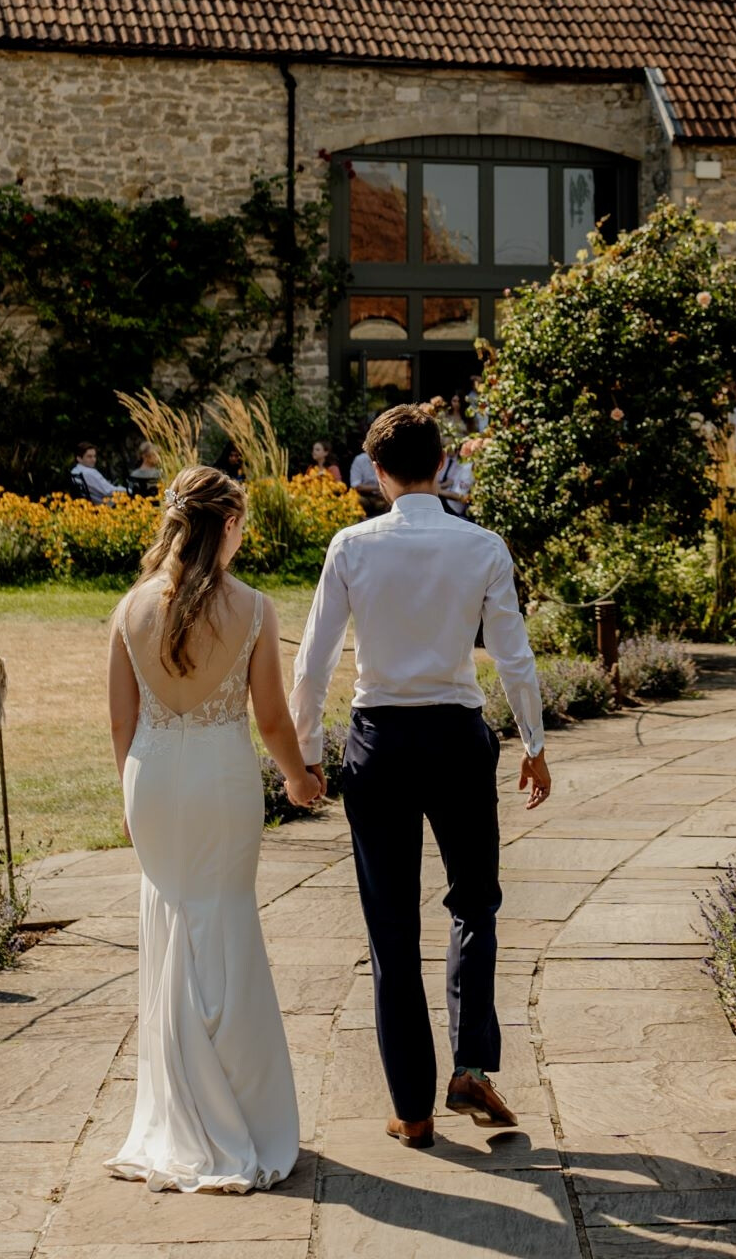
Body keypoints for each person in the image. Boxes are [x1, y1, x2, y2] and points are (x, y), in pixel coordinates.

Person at [289, 406, 549, 1149]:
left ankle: (413, 1110)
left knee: (391, 931)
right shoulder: (483, 546)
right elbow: (514, 656)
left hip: (380, 743)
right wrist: (533, 740)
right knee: (475, 903)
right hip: (459, 740)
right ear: (442, 466)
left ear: (376, 473)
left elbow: (312, 663)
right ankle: (470, 1064)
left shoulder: (350, 546)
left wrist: (307, 753)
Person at [102, 465, 321, 1193]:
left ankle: (178, 1113)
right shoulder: (254, 609)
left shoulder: (130, 609)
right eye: (242, 524)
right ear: (227, 525)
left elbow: (120, 722)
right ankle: (241, 1118)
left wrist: (131, 798)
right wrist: (297, 776)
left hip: (153, 779)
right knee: (225, 919)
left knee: (171, 922)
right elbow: (269, 718)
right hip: (223, 781)